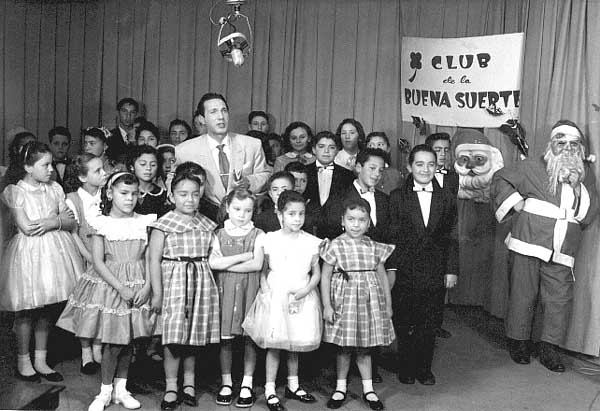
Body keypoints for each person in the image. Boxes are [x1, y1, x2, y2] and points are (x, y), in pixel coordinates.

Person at [491, 120, 598, 372]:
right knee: (522, 293)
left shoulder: (586, 175)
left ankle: (549, 348)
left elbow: (589, 213)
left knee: (558, 300)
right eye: (562, 143)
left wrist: (577, 187)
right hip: (528, 240)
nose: (568, 149)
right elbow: (499, 179)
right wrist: (515, 201)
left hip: (562, 247)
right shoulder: (531, 166)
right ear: (552, 145)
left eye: (574, 144)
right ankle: (518, 342)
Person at [57, 171, 156, 411]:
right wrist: (120, 287)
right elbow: (98, 262)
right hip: (112, 287)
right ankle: (105, 391)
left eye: (134, 194)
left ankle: (121, 389)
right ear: (110, 193)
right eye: (123, 193)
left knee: (129, 340)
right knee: (113, 342)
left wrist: (148, 285)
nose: (130, 199)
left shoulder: (144, 222)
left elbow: (151, 257)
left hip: (138, 284)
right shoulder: (102, 223)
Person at [0, 141, 84, 383]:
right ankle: (23, 360)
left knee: (47, 308)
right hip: (29, 256)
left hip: (55, 254)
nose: (50, 169)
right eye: (44, 165)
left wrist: (50, 222)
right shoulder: (16, 191)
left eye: (50, 165)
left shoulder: (55, 188)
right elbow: (27, 227)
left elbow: (70, 221)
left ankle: (41, 359)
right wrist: (54, 219)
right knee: (27, 310)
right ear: (28, 166)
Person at [243, 190, 322, 411]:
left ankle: (293, 385)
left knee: (294, 343)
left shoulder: (311, 242)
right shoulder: (269, 240)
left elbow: (316, 272)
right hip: (276, 296)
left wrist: (306, 290)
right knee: (275, 344)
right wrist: (266, 289)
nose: (297, 219)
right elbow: (263, 270)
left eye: (301, 214)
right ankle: (269, 389)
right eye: (291, 214)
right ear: (280, 214)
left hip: (301, 296)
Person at [147, 171, 220, 410]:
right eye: (183, 194)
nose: (189, 199)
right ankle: (170, 386)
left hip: (200, 281)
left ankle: (189, 384)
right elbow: (154, 260)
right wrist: (157, 293)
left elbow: (213, 257)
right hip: (174, 281)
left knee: (193, 335)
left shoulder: (207, 224)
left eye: (195, 195)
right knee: (173, 336)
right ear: (172, 195)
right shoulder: (163, 225)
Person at [387, 144, 458, 386]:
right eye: (419, 164)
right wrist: (393, 269)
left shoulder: (447, 197)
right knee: (405, 320)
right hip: (405, 270)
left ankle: (424, 368)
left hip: (434, 269)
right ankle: (406, 365)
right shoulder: (396, 197)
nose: (425, 169)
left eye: (431, 164)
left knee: (429, 321)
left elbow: (452, 236)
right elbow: (392, 238)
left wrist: (451, 269)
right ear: (409, 167)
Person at [320, 198, 395, 411]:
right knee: (344, 348)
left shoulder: (373, 246)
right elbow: (325, 277)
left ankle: (368, 389)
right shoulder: (334, 245)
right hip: (344, 302)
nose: (356, 224)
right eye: (351, 219)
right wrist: (327, 305)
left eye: (361, 220)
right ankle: (340, 388)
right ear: (342, 220)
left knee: (365, 348)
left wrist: (387, 304)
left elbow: (381, 276)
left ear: (369, 222)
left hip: (368, 303)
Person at [175, 93, 270, 222]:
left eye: (224, 111)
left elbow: (265, 175)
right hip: (202, 217)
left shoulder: (252, 144)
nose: (221, 117)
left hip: (244, 217)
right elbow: (174, 181)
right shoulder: (185, 150)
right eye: (213, 112)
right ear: (202, 119)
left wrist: (249, 182)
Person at [209, 189, 265, 408]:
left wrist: (229, 262)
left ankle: (247, 383)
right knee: (226, 339)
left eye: (248, 210)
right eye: (237, 209)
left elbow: (257, 265)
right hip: (225, 290)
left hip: (250, 290)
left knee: (249, 337)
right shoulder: (219, 234)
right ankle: (226, 382)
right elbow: (213, 263)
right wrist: (245, 255)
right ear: (227, 208)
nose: (242, 215)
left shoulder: (258, 234)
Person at [64, 154, 108, 375]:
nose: (103, 174)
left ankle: (99, 346)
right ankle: (85, 352)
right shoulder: (73, 199)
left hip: (107, 257)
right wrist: (90, 258)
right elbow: (73, 234)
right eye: (97, 171)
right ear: (82, 176)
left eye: (103, 169)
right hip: (85, 257)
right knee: (85, 306)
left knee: (103, 303)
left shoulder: (107, 196)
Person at [424, 132, 459, 339]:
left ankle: (436, 324)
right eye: (438, 150)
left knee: (440, 286)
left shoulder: (454, 177)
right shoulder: (417, 176)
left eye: (446, 150)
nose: (443, 154)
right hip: (423, 238)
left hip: (444, 238)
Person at [303, 131, 354, 239]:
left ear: (337, 151)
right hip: (306, 230)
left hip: (336, 233)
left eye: (331, 147)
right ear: (313, 149)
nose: (326, 151)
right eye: (321, 147)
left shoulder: (347, 175)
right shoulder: (303, 172)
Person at [127, 145, 169, 217]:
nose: (148, 168)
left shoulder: (163, 196)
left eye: (153, 165)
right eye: (143, 164)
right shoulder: (125, 193)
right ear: (132, 167)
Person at [107, 98, 139, 164]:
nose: (128, 116)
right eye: (124, 111)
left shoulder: (141, 135)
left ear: (136, 115)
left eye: (132, 112)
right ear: (117, 113)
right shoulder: (109, 136)